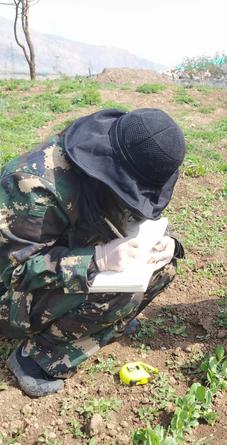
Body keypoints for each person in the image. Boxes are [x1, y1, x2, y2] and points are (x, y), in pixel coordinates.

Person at [0, 108, 186, 397]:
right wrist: (98, 259)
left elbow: (134, 218)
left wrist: (167, 244)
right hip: (10, 295)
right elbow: (15, 272)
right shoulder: (33, 186)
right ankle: (36, 359)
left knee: (163, 268)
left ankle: (105, 322)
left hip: (64, 257)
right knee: (119, 292)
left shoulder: (111, 162)